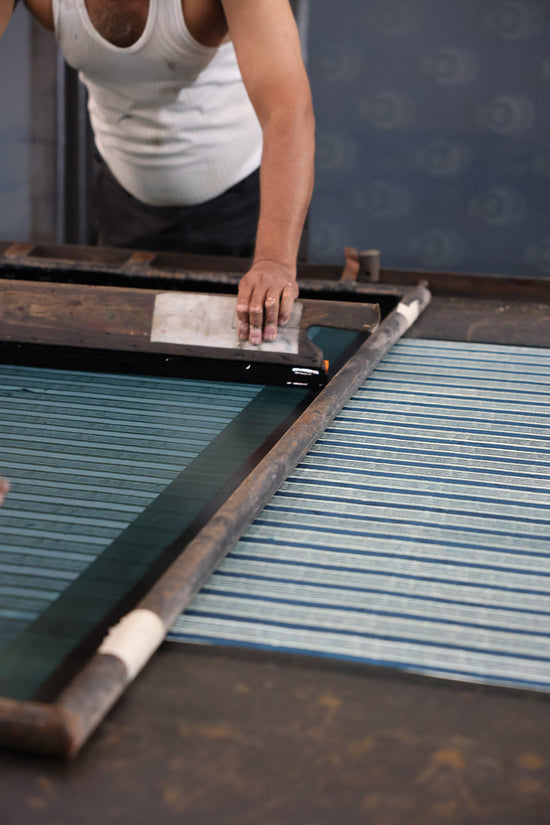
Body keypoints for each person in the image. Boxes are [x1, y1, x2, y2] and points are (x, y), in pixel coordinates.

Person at [0, 0, 315, 344]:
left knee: (254, 359)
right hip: (124, 198)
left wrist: (274, 261)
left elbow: (287, 111)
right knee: (121, 364)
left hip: (248, 208)